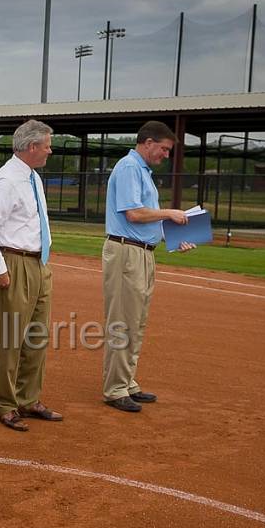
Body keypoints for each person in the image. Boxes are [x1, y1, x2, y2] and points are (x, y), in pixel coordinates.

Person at [102, 120, 195, 413]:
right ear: (148, 142)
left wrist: (172, 235)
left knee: (137, 321)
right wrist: (170, 213)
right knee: (124, 320)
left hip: (142, 252)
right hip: (126, 252)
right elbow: (134, 214)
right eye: (164, 149)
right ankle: (115, 388)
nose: (165, 156)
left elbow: (148, 220)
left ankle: (126, 381)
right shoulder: (130, 168)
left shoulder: (142, 171)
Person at [0, 119, 63, 432]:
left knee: (36, 337)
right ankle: (7, 404)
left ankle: (29, 399)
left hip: (38, 264)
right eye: (47, 145)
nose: (49, 150)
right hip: (13, 264)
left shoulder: (32, 177)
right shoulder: (7, 180)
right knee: (11, 339)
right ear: (31, 147)